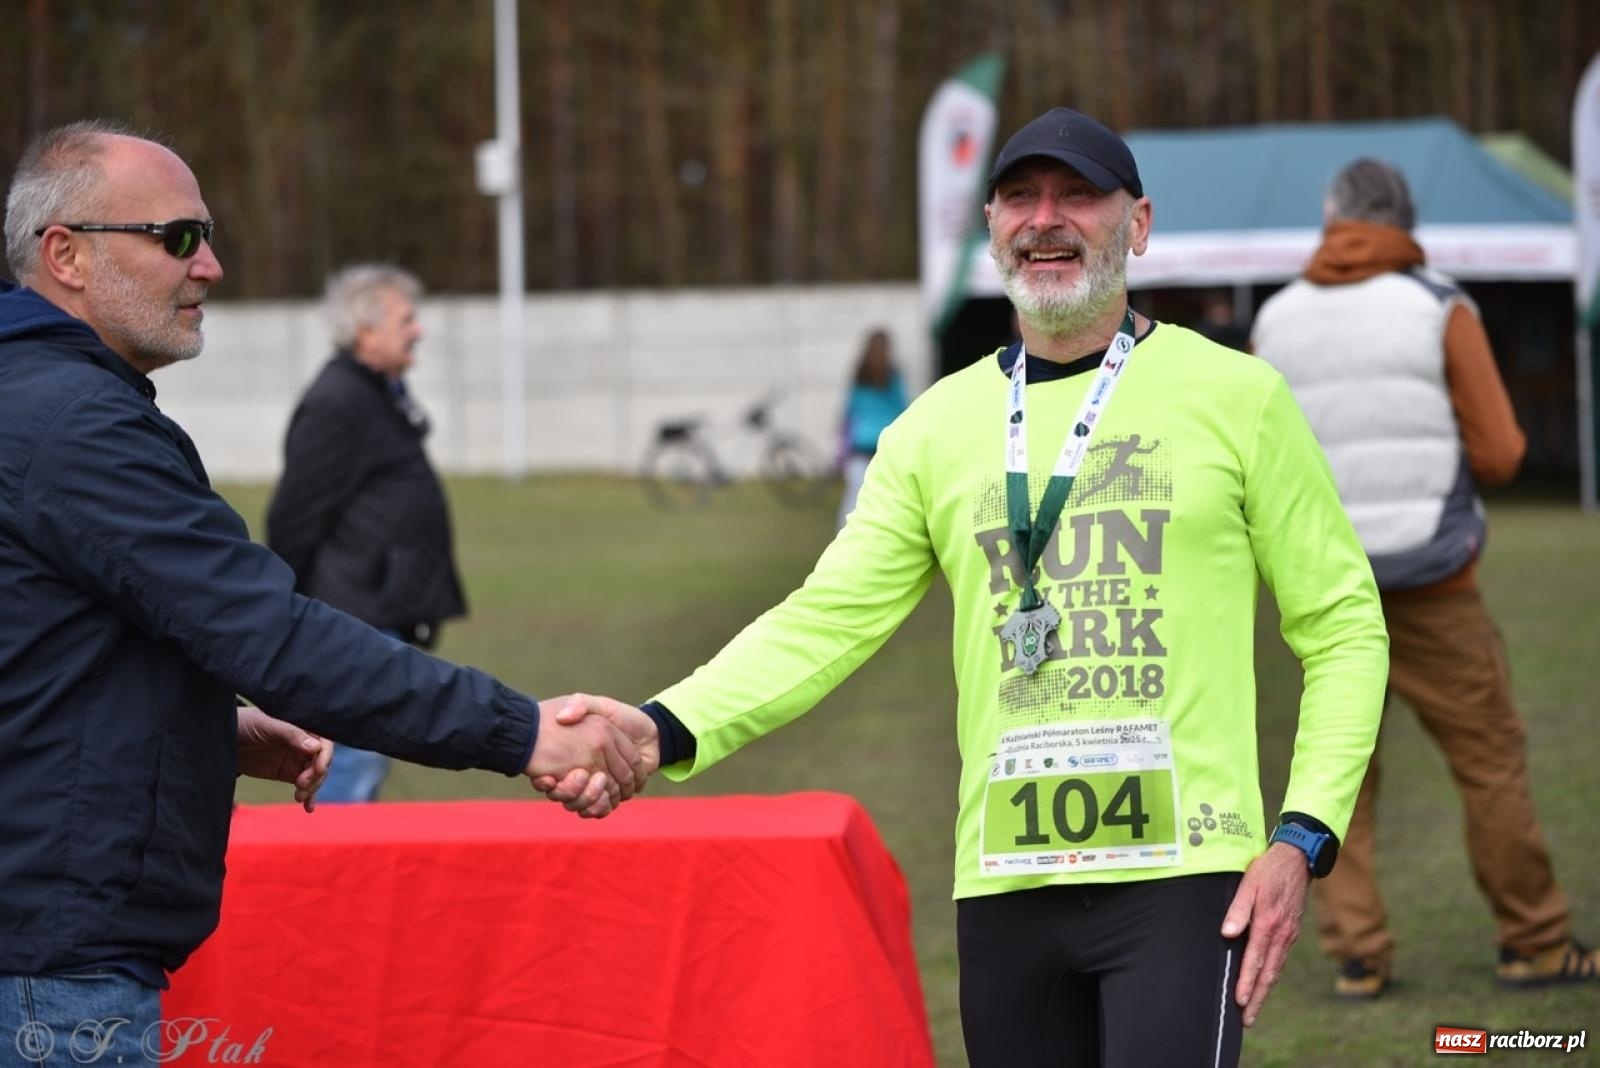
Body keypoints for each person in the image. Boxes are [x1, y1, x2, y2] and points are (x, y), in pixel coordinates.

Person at [543, 107, 1388, 1067]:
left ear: (1139, 225)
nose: (1047, 219)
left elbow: (1345, 627)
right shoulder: (933, 427)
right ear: (990, 227)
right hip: (1005, 882)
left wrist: (1302, 835)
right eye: (1021, 196)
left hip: (1184, 876)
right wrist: (663, 726)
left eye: (1079, 195)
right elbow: (826, 621)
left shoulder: (1240, 397)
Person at [0, 120, 645, 1058]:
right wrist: (529, 733)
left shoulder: (37, 407)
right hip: (48, 971)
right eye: (178, 237)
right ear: (66, 255)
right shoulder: (71, 426)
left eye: (208, 235)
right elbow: (273, 634)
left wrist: (205, 724)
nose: (210, 265)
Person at [1251, 157, 1599, 998]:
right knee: (1490, 762)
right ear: (1405, 219)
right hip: (1436, 584)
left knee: (1340, 780)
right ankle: (1535, 941)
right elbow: (1504, 452)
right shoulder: (1440, 304)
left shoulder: (1275, 318)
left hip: (1323, 588)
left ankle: (1357, 954)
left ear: (1333, 218)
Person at [265, 264, 465, 802]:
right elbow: (292, 520)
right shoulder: (338, 400)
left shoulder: (375, 391)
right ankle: (329, 882)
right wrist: (306, 615)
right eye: (406, 319)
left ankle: (351, 879)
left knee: (365, 762)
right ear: (365, 331)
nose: (418, 329)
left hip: (378, 612)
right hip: (357, 619)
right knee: (350, 765)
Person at [836, 327, 908, 528]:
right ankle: (844, 543)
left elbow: (902, 410)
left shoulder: (893, 378)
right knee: (854, 499)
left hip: (884, 450)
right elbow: (850, 413)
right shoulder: (860, 378)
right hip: (862, 449)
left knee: (888, 501)